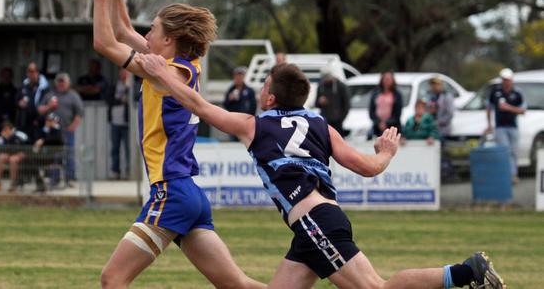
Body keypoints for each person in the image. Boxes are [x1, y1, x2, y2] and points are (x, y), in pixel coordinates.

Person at [137, 55, 506, 289]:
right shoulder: (319, 123)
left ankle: (466, 272)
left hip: (315, 224)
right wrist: (387, 152)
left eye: (263, 85)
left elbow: (197, 104)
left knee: (376, 288)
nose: (259, 90)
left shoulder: (254, 125)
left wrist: (162, 75)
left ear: (270, 99)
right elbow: (367, 167)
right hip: (320, 222)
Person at [93, 0, 264, 289]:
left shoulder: (163, 71)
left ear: (168, 39)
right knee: (238, 285)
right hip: (189, 195)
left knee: (112, 280)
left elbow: (105, 42)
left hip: (171, 191)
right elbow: (123, 30)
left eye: (153, 30)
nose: (146, 35)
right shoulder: (182, 65)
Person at [38, 72, 83, 186]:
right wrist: (49, 106)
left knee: (69, 154)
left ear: (68, 83)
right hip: (53, 132)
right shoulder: (50, 95)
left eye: (63, 82)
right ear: (56, 83)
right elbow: (40, 109)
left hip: (67, 131)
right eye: (59, 82)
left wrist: (73, 127)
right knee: (53, 155)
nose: (61, 84)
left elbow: (80, 113)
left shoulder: (73, 95)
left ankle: (70, 178)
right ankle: (54, 178)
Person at [485, 68, 526, 184]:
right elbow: (488, 107)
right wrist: (489, 124)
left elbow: (523, 110)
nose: (505, 82)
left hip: (513, 127)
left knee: (513, 152)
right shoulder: (496, 92)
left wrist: (509, 108)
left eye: (507, 79)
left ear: (511, 80)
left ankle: (513, 175)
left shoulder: (517, 93)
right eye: (503, 79)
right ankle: (507, 175)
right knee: (505, 151)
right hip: (500, 127)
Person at [427, 76, 456, 179]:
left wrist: (440, 122)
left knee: (443, 152)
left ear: (440, 85)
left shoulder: (447, 96)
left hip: (442, 129)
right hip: (432, 129)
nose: (434, 87)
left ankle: (448, 174)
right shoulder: (430, 97)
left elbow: (450, 113)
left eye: (436, 84)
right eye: (432, 84)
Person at [31, 112, 65, 192]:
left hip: (54, 156)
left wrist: (43, 140)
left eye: (50, 120)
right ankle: (40, 183)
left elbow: (56, 140)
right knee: (30, 161)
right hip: (44, 156)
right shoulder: (44, 130)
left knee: (56, 159)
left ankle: (55, 180)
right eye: (47, 120)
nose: (48, 122)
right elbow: (37, 139)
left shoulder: (58, 130)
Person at [17, 62, 50, 142]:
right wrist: (19, 103)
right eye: (29, 71)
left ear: (37, 72)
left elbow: (46, 105)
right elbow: (16, 100)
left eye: (32, 71)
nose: (30, 74)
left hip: (38, 123)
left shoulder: (44, 87)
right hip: (24, 122)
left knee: (36, 149)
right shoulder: (24, 86)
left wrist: (38, 119)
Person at [0, 121, 29, 192]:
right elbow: (0, 151)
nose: (5, 131)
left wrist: (22, 153)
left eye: (7, 130)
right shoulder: (1, 138)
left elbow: (28, 146)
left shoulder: (20, 135)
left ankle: (13, 184)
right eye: (4, 130)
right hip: (9, 154)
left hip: (21, 155)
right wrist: (6, 139)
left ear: (11, 129)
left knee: (13, 159)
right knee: (0, 157)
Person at [223, 66, 257, 141]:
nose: (238, 77)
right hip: (233, 122)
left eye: (240, 75)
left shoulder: (249, 91)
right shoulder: (230, 90)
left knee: (246, 141)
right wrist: (230, 99)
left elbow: (253, 106)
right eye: (237, 75)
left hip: (246, 122)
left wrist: (250, 119)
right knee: (233, 141)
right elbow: (225, 105)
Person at [314, 66, 350, 136]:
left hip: (337, 122)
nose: (325, 80)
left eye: (327, 77)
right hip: (325, 121)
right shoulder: (321, 86)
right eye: (324, 78)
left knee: (337, 142)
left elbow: (346, 104)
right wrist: (319, 102)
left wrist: (341, 119)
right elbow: (316, 103)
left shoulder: (341, 86)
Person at [109, 68, 130, 179]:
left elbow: (134, 98)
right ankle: (115, 171)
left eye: (126, 73)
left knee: (128, 148)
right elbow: (109, 99)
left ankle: (128, 171)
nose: (124, 75)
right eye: (122, 72)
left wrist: (128, 87)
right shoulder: (114, 86)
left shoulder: (131, 86)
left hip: (127, 123)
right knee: (115, 148)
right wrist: (121, 101)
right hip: (115, 121)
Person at [368, 71, 402, 138]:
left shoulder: (397, 95)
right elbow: (371, 110)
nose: (387, 81)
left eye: (389, 79)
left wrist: (387, 123)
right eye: (385, 79)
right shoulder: (375, 93)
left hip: (392, 126)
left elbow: (397, 113)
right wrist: (378, 122)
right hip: (377, 127)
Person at [0, 67, 18, 136]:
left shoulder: (14, 91)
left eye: (7, 76)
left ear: (11, 77)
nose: (5, 78)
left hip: (10, 120)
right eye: (4, 75)